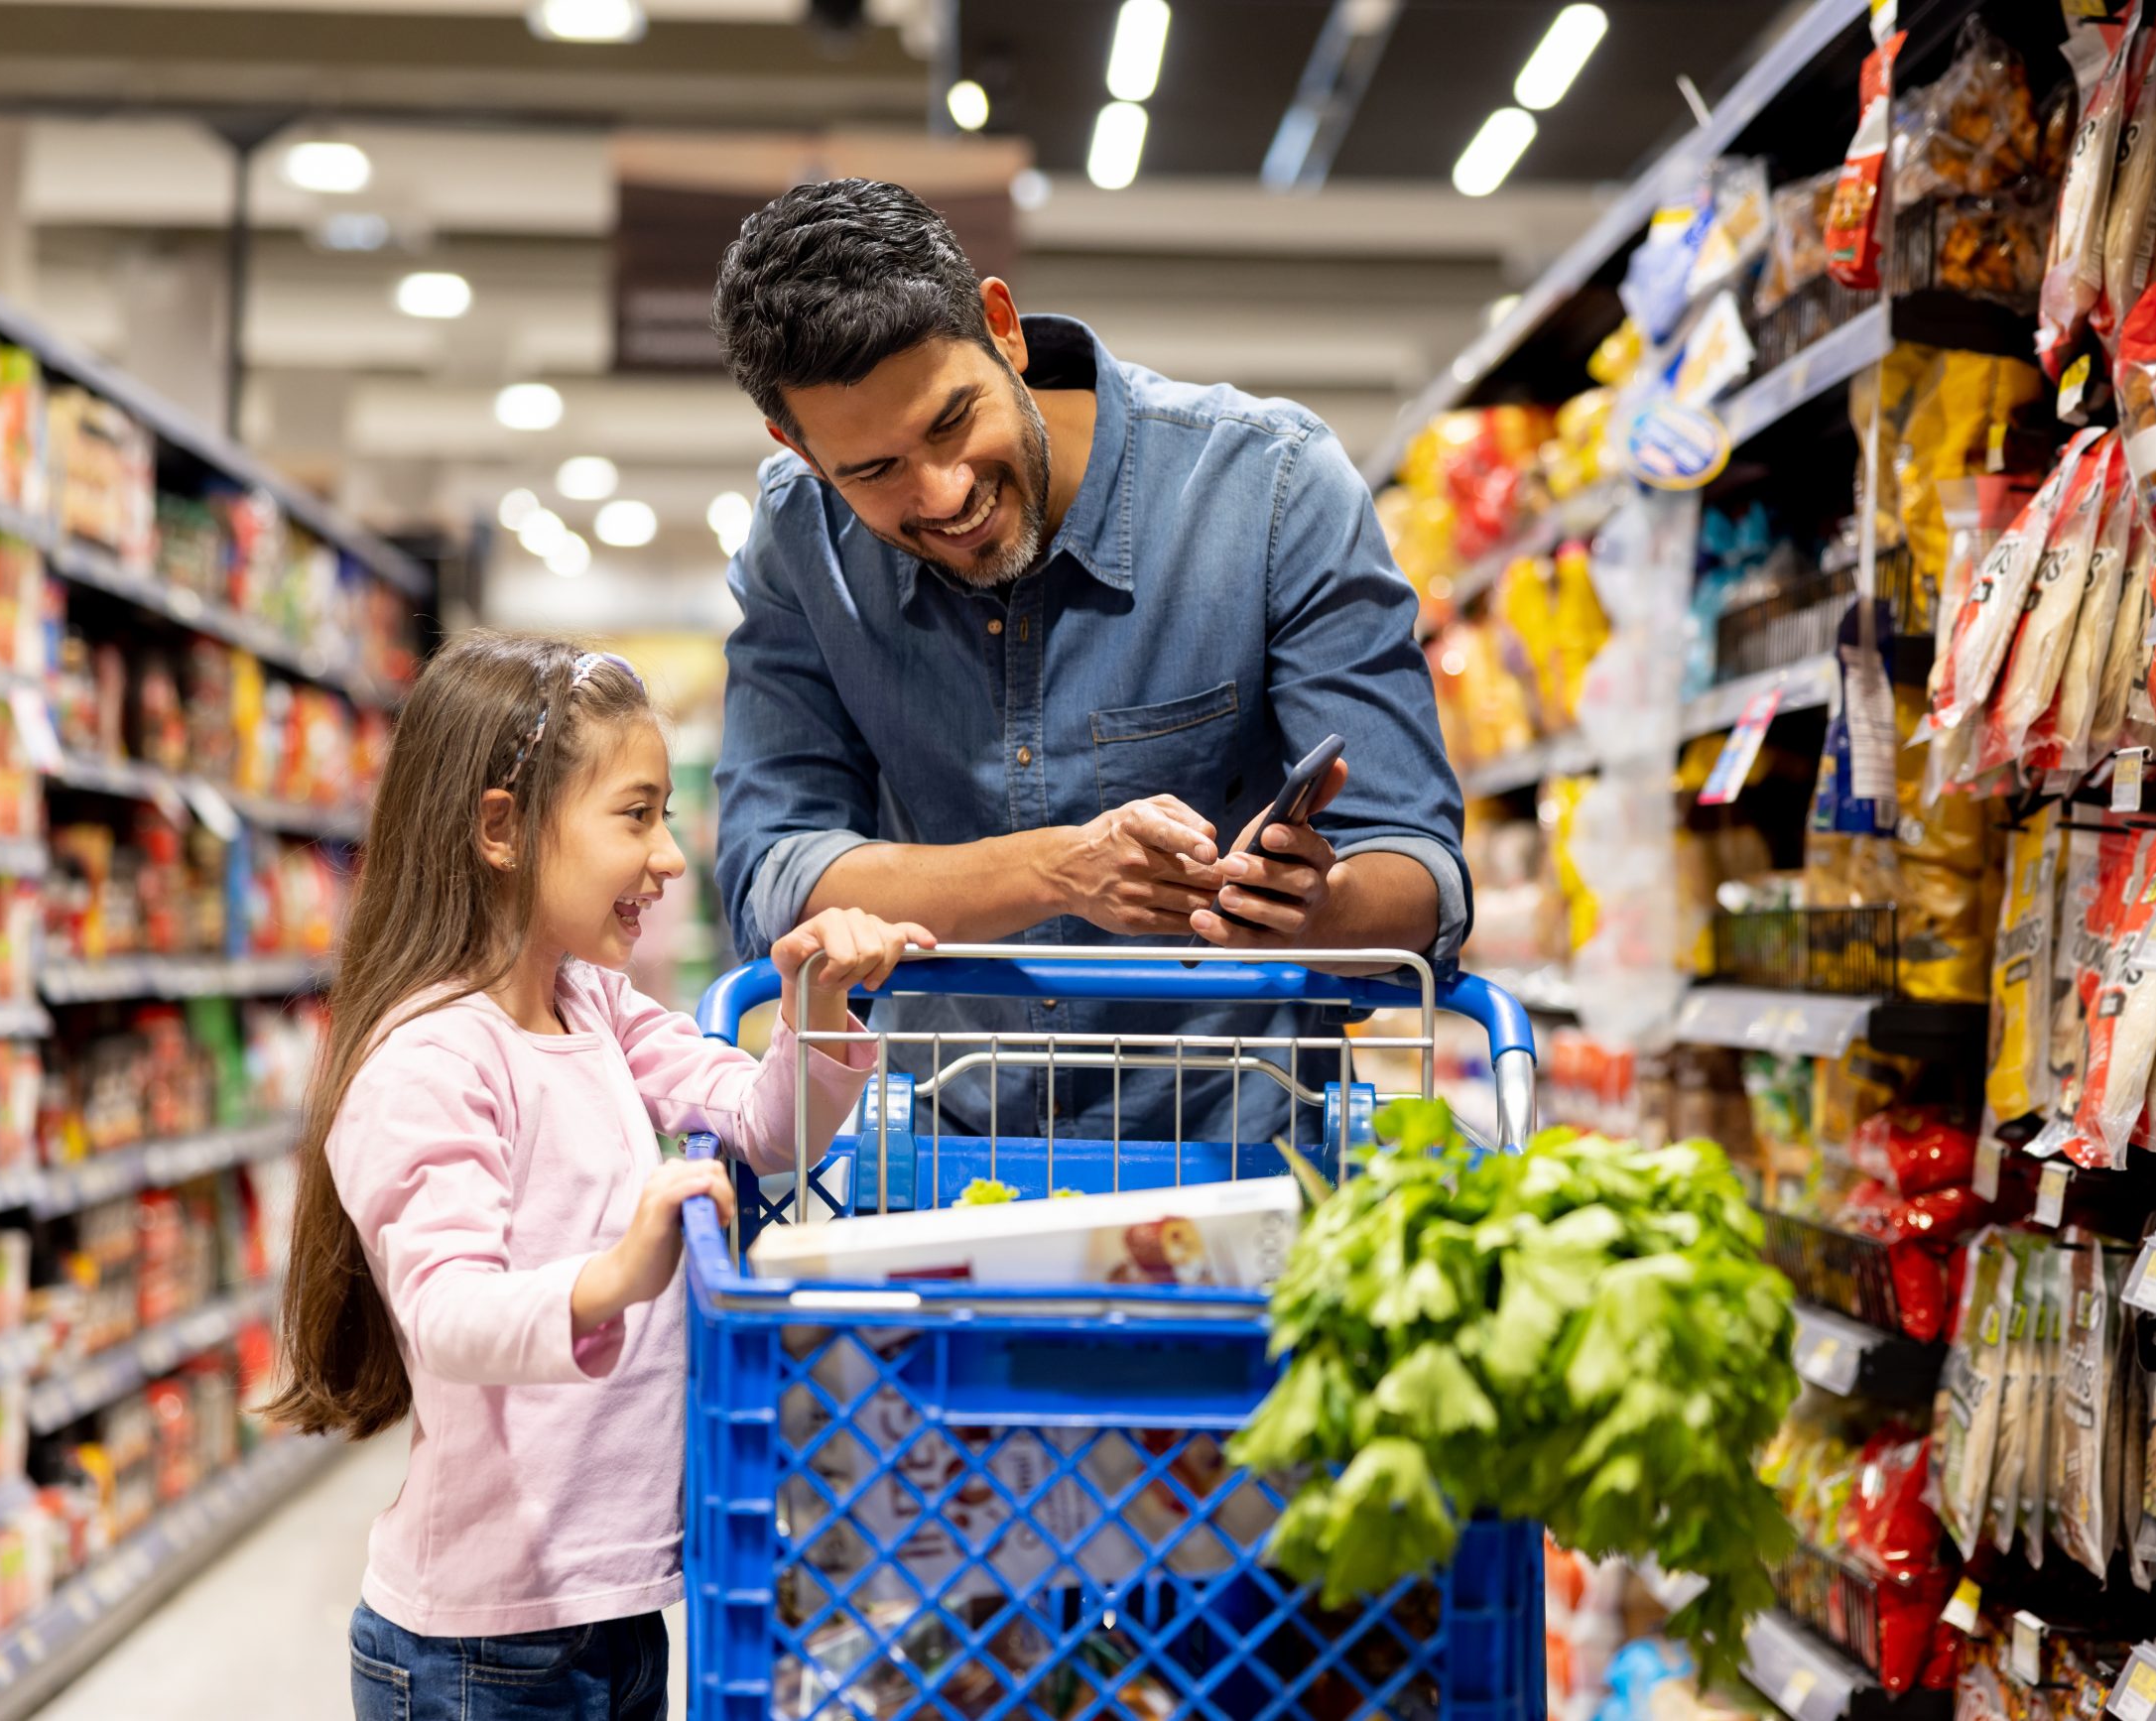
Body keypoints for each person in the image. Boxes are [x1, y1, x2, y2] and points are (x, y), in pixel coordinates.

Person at [708, 177, 1467, 1146]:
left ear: (1002, 328)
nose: (943, 494)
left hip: (1248, 1156)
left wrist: (1317, 904)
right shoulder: (798, 543)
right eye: (873, 470)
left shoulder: (1269, 489)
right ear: (799, 449)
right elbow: (774, 871)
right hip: (938, 1161)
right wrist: (1058, 870)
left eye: (950, 423)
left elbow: (1420, 871)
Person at [265, 631, 933, 1720]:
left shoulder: (594, 1005)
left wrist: (816, 1005)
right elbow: (444, 1308)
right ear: (499, 827)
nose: (671, 855)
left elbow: (769, 1129)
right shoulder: (430, 1056)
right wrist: (616, 1271)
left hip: (615, 1606)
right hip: (484, 1644)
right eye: (636, 814)